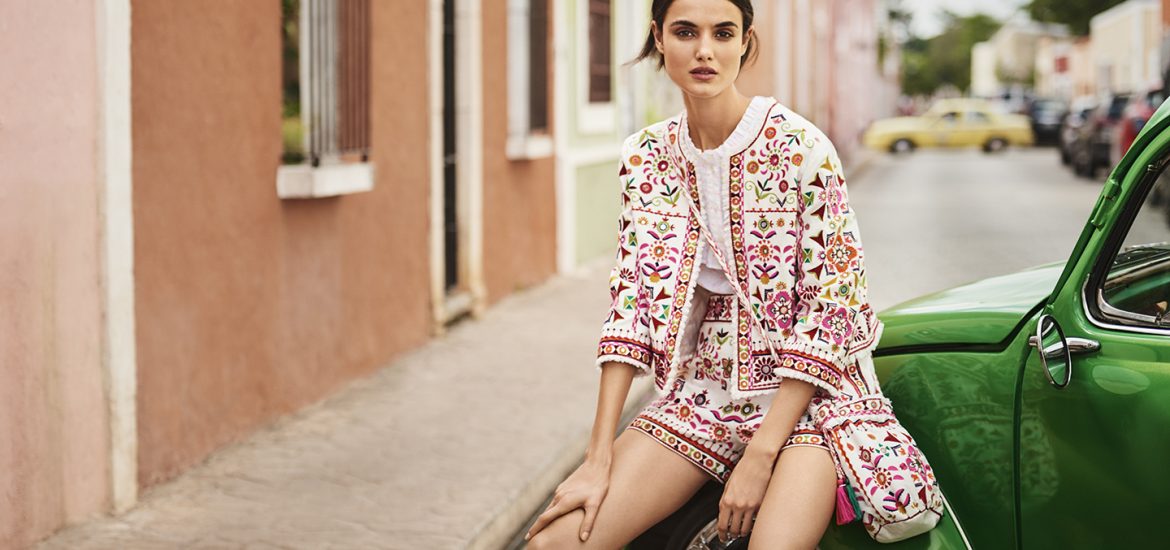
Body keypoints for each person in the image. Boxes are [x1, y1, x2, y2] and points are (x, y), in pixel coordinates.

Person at [525, 0, 883, 548]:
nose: (705, 51)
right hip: (701, 395)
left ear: (745, 40)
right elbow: (631, 307)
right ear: (659, 37)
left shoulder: (802, 148)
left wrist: (760, 456)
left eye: (723, 33)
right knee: (554, 542)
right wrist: (597, 457)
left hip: (810, 401)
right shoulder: (645, 157)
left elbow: (833, 311)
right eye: (686, 32)